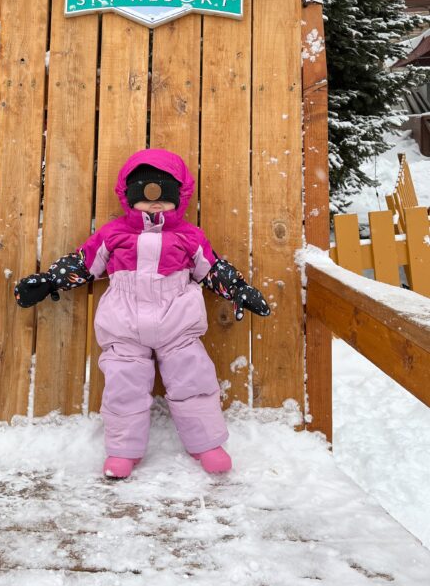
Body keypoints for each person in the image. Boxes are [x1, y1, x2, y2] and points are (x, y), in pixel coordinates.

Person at [14, 149, 270, 479]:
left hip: (177, 326)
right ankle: (123, 450)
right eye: (145, 194)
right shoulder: (113, 234)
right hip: (125, 327)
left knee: (194, 378)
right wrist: (50, 280)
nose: (154, 203)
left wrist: (238, 289)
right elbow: (84, 263)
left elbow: (212, 269)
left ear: (181, 195)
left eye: (165, 194)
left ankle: (207, 443)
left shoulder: (189, 238)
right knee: (123, 385)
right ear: (128, 195)